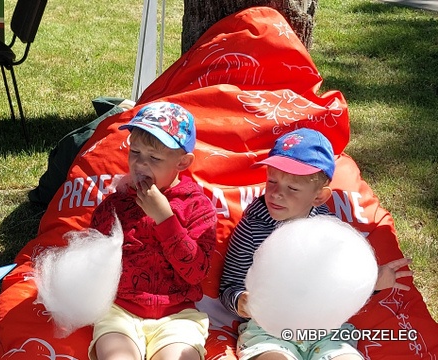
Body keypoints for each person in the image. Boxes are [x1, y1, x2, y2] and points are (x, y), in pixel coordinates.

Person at [219, 128, 413, 360]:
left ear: (319, 196)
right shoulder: (253, 228)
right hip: (268, 329)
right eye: (272, 181)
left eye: (292, 188)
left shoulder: (329, 229)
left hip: (325, 329)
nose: (276, 194)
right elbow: (229, 285)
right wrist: (242, 302)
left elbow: (339, 288)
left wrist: (373, 282)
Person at [87, 102, 218, 360]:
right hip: (119, 311)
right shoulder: (116, 204)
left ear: (183, 162)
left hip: (178, 315)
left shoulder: (197, 207)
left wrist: (165, 218)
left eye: (155, 157)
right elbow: (93, 259)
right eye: (134, 151)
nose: (140, 163)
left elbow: (196, 272)